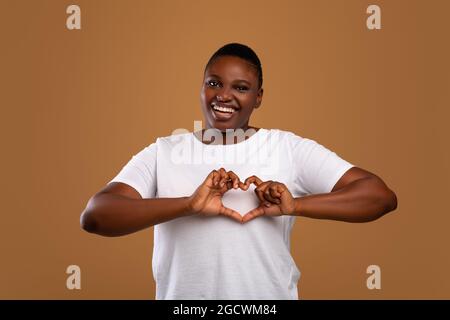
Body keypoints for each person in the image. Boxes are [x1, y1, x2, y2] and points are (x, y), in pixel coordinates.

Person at [80, 43, 398, 300]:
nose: (224, 95)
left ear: (258, 97)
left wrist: (297, 206)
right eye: (214, 83)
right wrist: (188, 205)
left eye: (241, 87)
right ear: (202, 87)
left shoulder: (286, 148)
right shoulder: (165, 151)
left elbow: (379, 197)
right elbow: (96, 216)